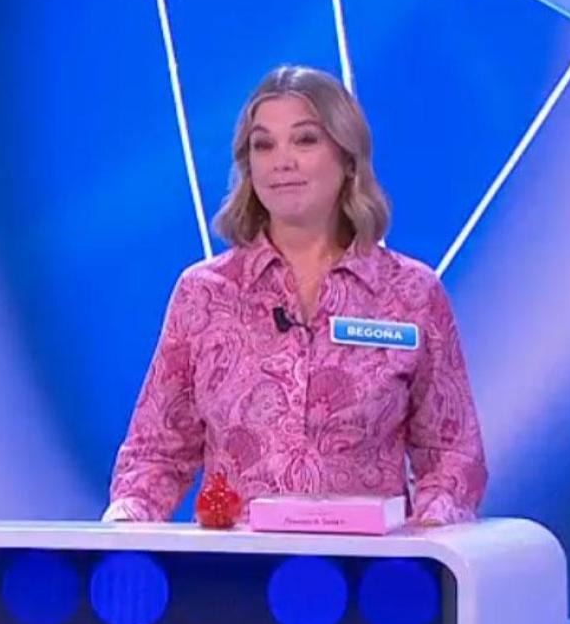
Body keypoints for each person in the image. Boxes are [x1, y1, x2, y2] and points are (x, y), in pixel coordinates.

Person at [105, 65, 486, 524]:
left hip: (371, 565)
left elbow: (451, 454)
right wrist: (126, 523)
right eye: (263, 145)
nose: (281, 161)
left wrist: (430, 534)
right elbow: (156, 454)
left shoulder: (411, 293)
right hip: (237, 564)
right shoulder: (203, 294)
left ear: (348, 159)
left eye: (304, 140)